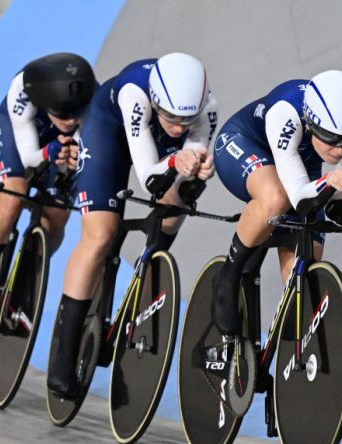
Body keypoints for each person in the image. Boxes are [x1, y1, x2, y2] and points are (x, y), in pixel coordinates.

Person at [46, 52, 219, 398]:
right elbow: (149, 180)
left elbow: (180, 173)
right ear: (155, 100)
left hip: (155, 146)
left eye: (188, 119)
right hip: (109, 135)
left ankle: (152, 261)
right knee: (100, 237)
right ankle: (63, 358)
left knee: (180, 198)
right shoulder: (134, 95)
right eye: (171, 116)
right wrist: (175, 158)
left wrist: (196, 169)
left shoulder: (206, 110)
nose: (180, 127)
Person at [210, 69, 342, 337]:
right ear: (310, 123)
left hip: (301, 166)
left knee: (305, 267)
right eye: (330, 137)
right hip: (248, 144)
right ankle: (228, 275)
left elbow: (334, 193)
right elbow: (299, 196)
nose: (338, 149)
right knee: (276, 198)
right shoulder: (285, 112)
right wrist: (334, 181)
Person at [0, 52, 96, 323]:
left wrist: (76, 155)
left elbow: (89, 146)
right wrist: (50, 152)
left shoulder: (92, 99)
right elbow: (29, 156)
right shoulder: (21, 94)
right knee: (13, 197)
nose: (70, 120)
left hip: (58, 145)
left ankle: (25, 287)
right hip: (20, 135)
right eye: (62, 113)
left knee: (57, 216)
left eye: (75, 112)